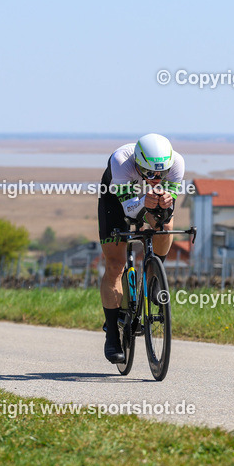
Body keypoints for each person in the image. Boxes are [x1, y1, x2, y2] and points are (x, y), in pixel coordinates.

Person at [97, 133, 184, 363]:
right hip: (116, 201)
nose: (156, 178)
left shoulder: (177, 163)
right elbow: (129, 210)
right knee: (115, 265)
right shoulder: (121, 161)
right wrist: (144, 202)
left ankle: (154, 275)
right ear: (137, 162)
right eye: (149, 173)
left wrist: (165, 204)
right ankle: (112, 335)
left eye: (161, 174)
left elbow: (167, 210)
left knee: (165, 223)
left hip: (146, 200)